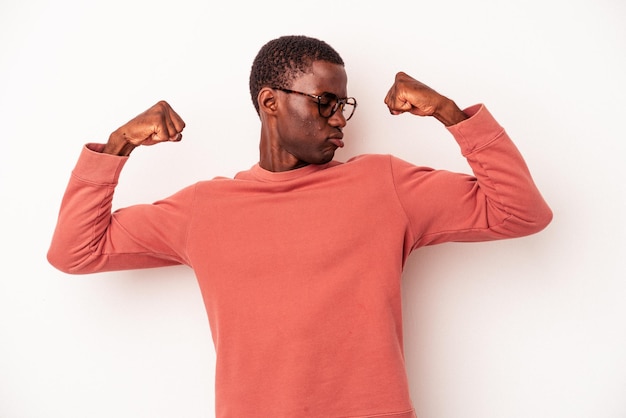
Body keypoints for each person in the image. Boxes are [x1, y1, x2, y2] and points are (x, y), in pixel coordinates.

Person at [47, 35, 552, 418]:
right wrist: (118, 145)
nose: (339, 120)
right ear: (271, 103)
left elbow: (521, 211)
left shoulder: (383, 184)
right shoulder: (207, 208)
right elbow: (76, 251)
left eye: (342, 105)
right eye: (325, 102)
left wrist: (450, 113)